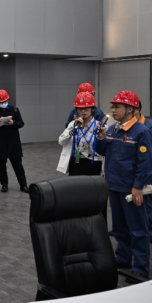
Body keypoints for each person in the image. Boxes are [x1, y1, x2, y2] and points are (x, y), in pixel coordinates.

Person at [96, 90, 152, 282]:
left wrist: (138, 186)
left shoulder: (142, 132)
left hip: (132, 189)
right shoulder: (113, 130)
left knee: (138, 229)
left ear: (130, 109)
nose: (113, 110)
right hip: (114, 186)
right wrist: (101, 138)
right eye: (113, 107)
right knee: (119, 227)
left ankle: (141, 268)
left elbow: (147, 163)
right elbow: (103, 152)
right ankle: (123, 259)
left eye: (117, 107)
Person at [58, 92, 106, 221]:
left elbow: (103, 149)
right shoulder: (73, 124)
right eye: (79, 109)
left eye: (86, 108)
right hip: (77, 162)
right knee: (75, 195)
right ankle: (77, 222)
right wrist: (72, 129)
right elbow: (61, 141)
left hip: (93, 164)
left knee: (94, 196)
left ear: (92, 109)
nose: (83, 111)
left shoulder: (99, 126)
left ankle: (97, 223)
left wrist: (101, 137)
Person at [132, 101, 152, 246]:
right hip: (129, 170)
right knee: (128, 201)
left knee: (147, 201)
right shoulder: (123, 125)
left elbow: (151, 148)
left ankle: (151, 231)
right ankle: (128, 228)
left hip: (145, 168)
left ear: (137, 109)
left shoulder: (150, 125)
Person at [0, 89, 29, 193]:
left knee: (18, 165)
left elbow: (21, 123)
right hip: (1, 142)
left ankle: (23, 185)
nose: (3, 103)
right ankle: (4, 184)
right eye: (1, 102)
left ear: (8, 100)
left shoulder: (14, 110)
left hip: (13, 142)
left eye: (4, 101)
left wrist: (13, 123)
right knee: (1, 165)